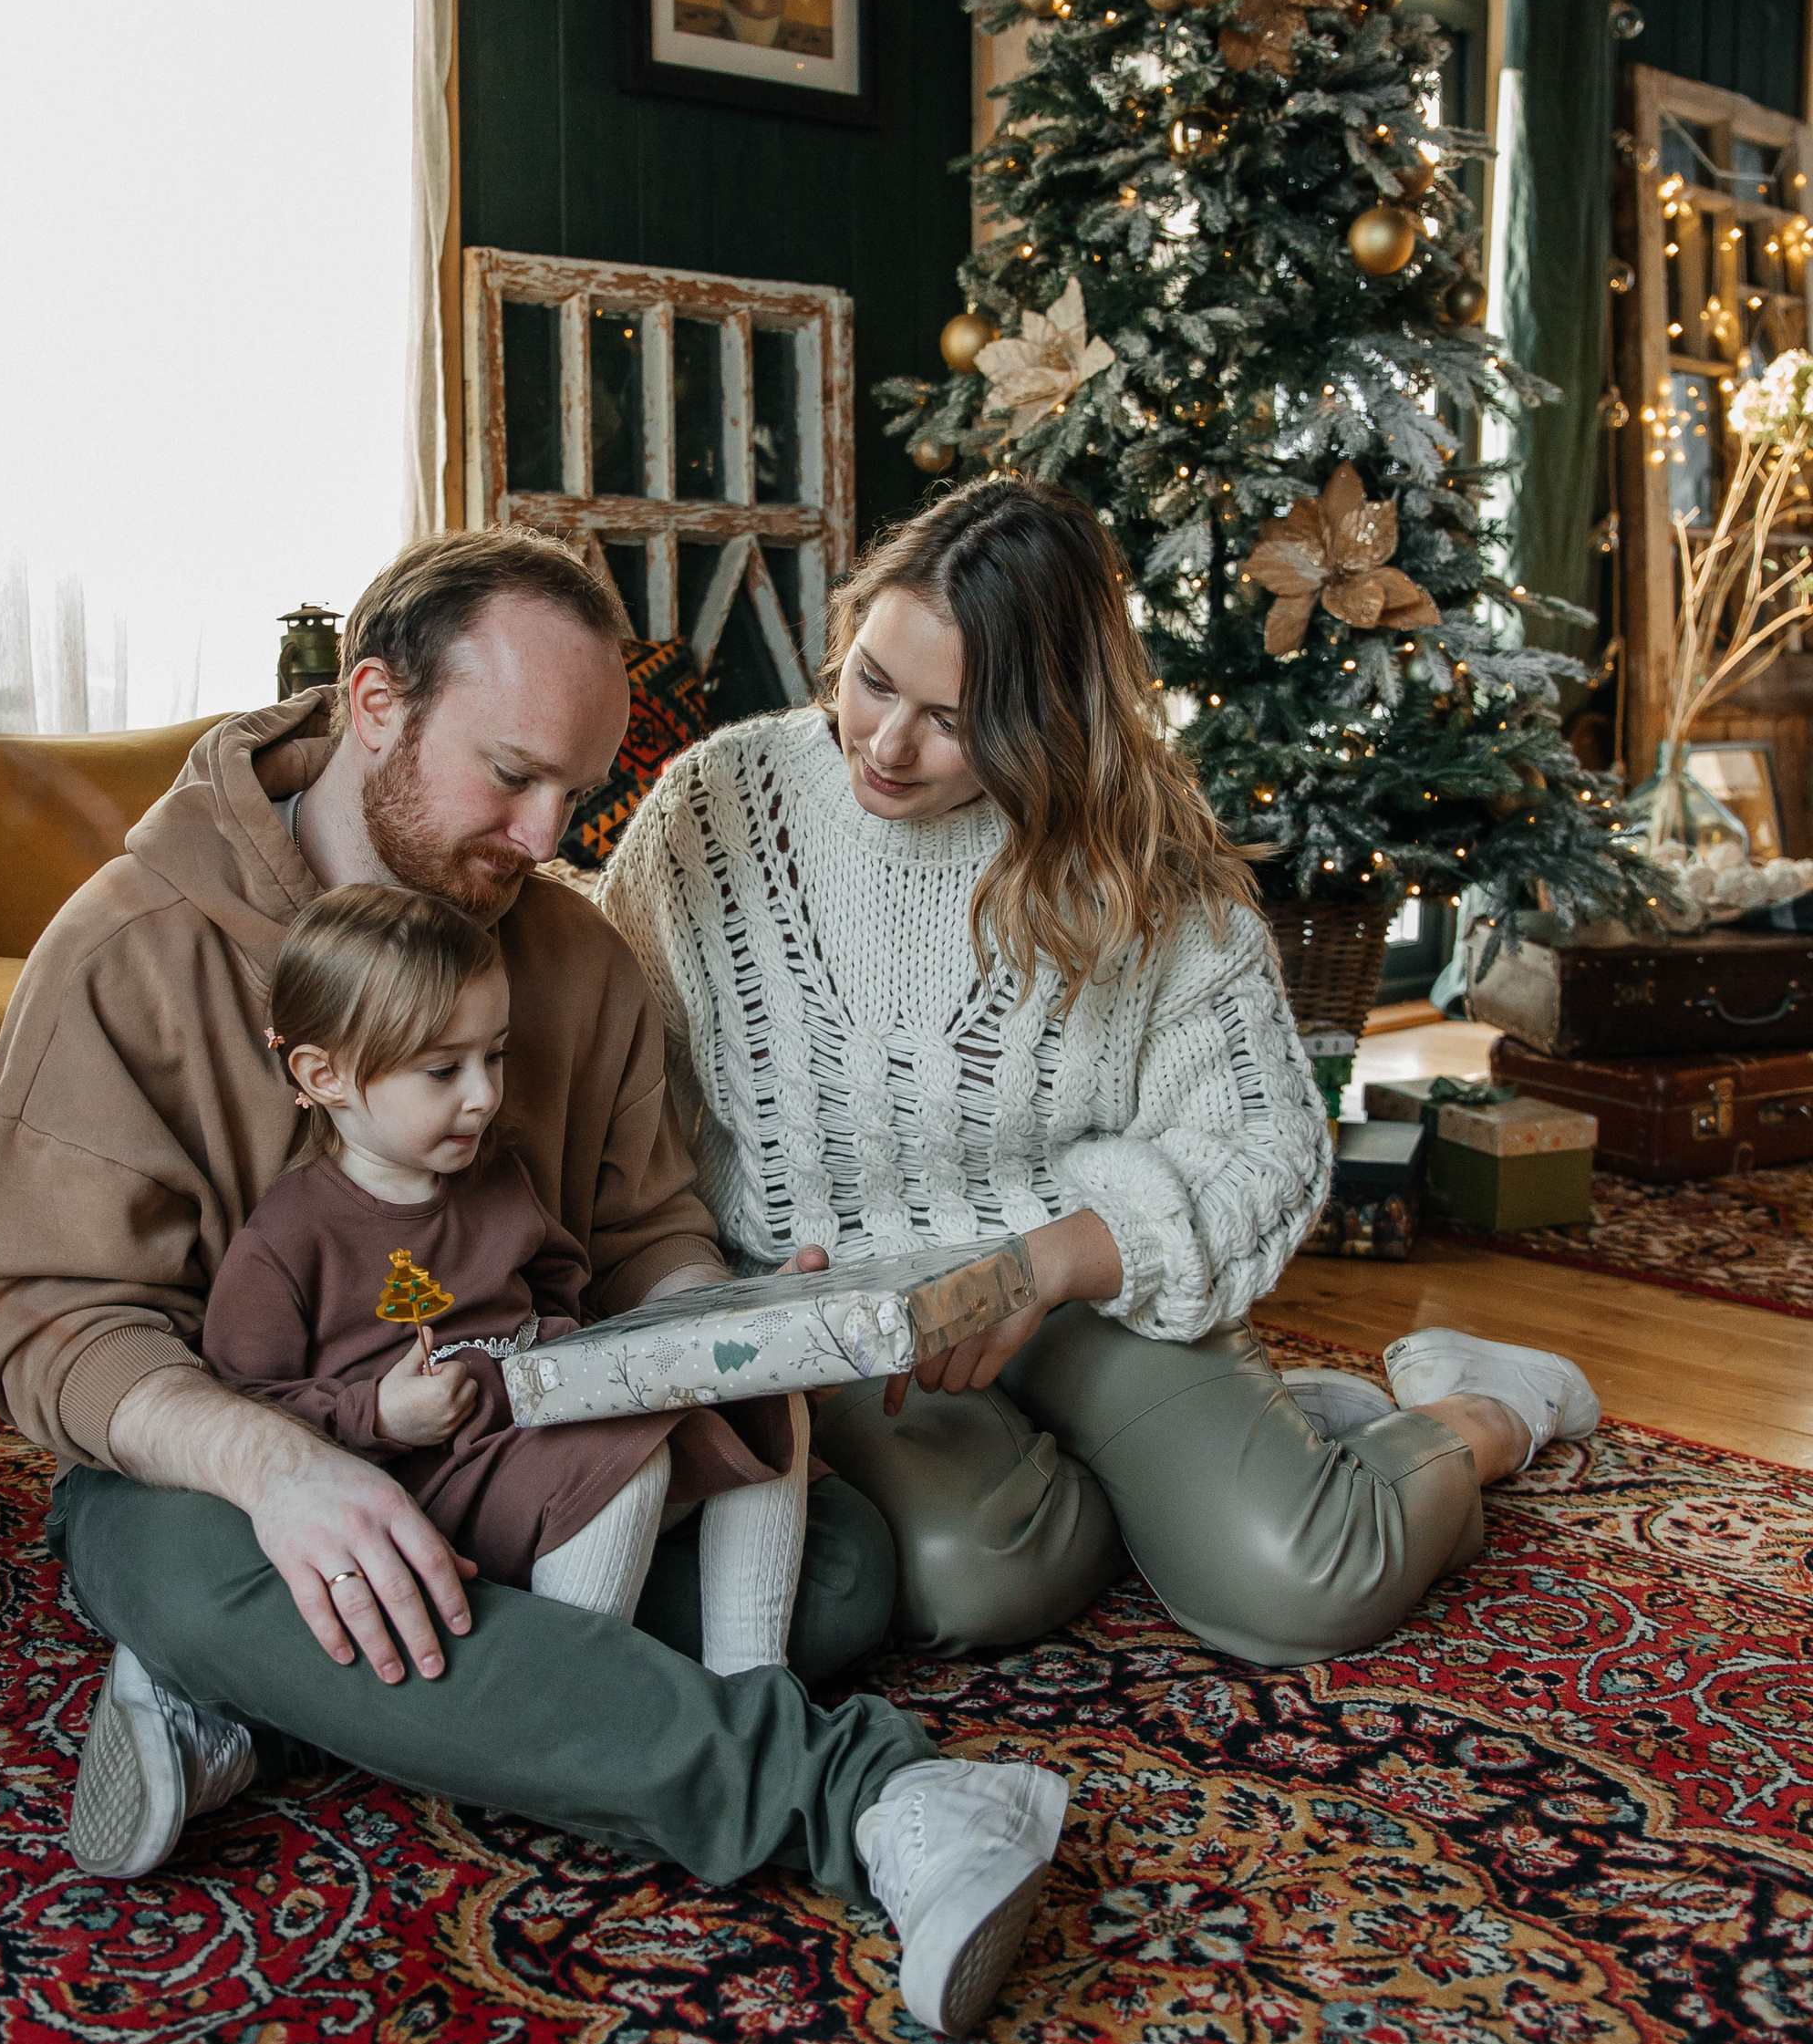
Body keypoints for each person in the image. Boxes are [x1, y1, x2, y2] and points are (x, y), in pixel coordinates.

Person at [0, 528, 1073, 2039]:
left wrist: (718, 1322)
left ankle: (256, 1705)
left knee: (844, 1559)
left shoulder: (575, 959)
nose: (548, 838)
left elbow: (648, 1230)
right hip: (222, 1479)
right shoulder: (131, 950)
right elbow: (29, 1314)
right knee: (167, 1566)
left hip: (508, 1450)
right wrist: (277, 1469)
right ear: (374, 707)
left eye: (580, 792)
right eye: (514, 776)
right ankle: (874, 1797)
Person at [600, 475, 1599, 1667]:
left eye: (953, 718)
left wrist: (1052, 1262)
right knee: (968, 1579)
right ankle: (1232, 1461)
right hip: (851, 1321)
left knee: (1306, 1585)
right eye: (873, 680)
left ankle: (1477, 1407)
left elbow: (1268, 1145)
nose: (886, 742)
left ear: (1042, 719)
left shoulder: (1131, 857)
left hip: (1080, 1287)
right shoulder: (716, 807)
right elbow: (613, 1077)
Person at [204, 879, 810, 1671]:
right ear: (326, 1077)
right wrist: (375, 1415)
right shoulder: (288, 1236)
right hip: (444, 1482)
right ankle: (559, 1723)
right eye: (441, 1071)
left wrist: (675, 1343)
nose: (485, 1096)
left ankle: (753, 1685)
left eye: (493, 1055)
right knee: (625, 1469)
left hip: (545, 1427)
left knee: (773, 1390)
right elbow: (244, 1404)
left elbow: (565, 1293)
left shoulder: (500, 1179)